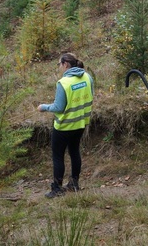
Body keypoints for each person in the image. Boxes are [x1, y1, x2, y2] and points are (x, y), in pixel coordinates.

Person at [37, 53, 94, 198]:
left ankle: (57, 188)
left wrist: (44, 107)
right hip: (80, 123)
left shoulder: (64, 83)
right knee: (74, 152)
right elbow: (91, 96)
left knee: (58, 156)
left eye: (59, 64)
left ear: (66, 65)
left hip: (64, 126)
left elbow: (58, 107)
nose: (59, 68)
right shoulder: (87, 77)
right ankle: (74, 183)